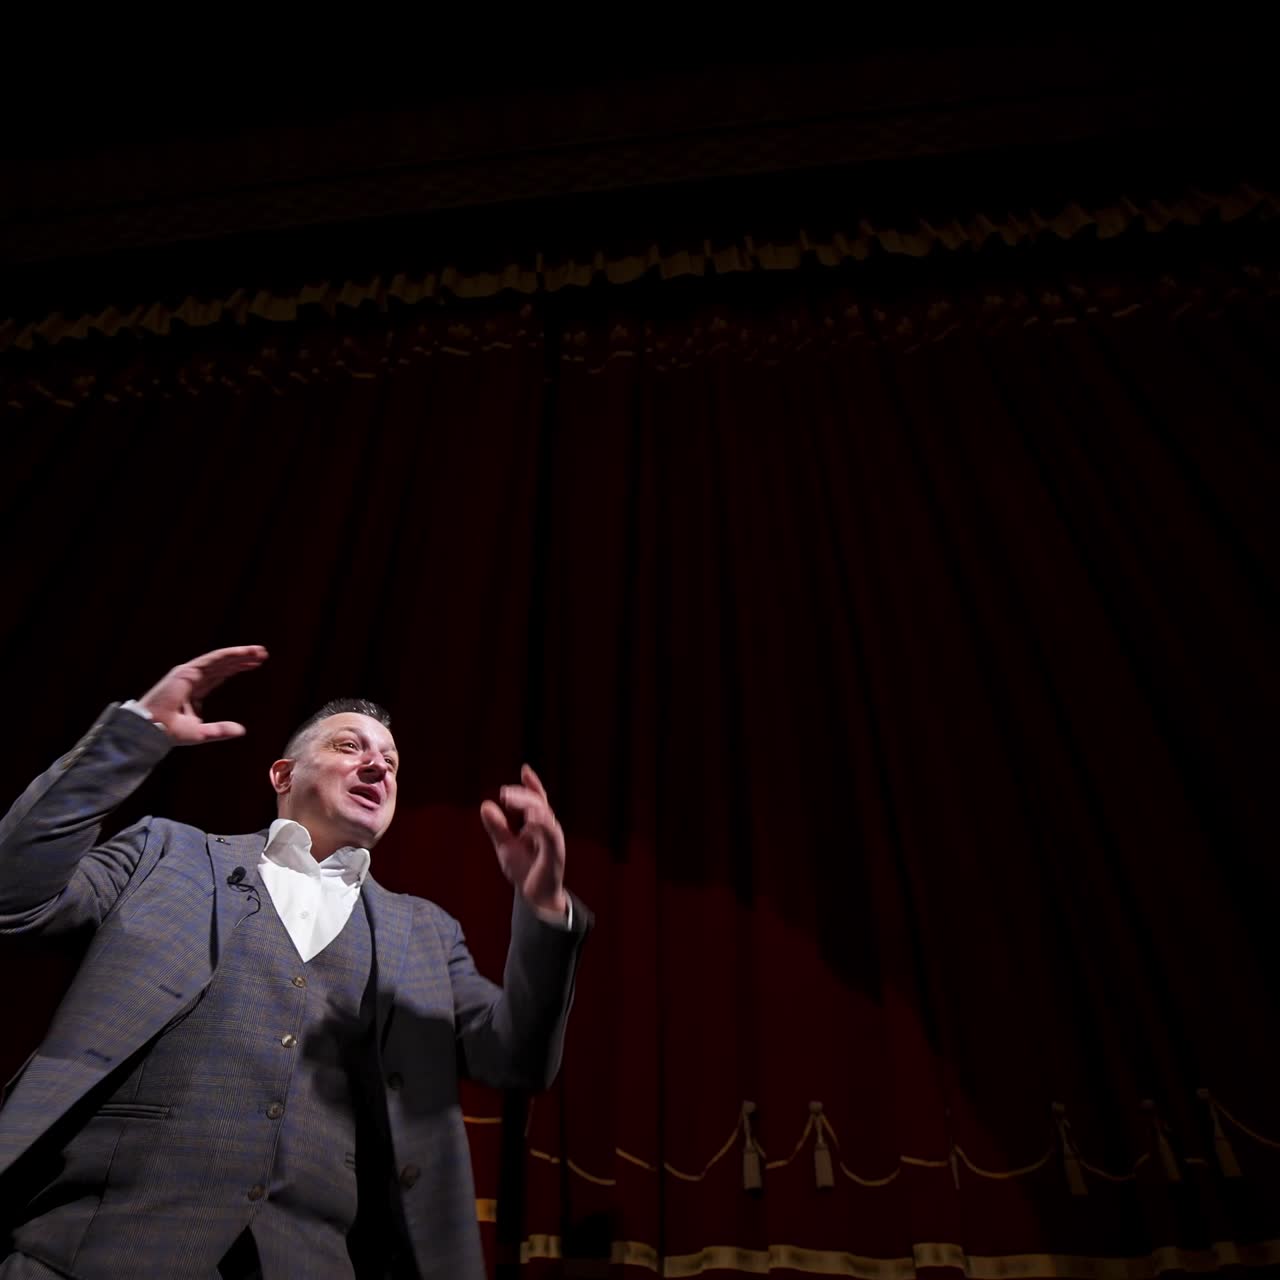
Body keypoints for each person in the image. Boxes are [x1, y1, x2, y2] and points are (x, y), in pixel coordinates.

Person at [0, 646, 590, 1279]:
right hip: (95, 1250)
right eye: (349, 746)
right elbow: (14, 897)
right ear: (283, 776)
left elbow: (517, 1057)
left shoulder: (424, 933)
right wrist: (133, 734)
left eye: (391, 761)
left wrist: (544, 907)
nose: (377, 766)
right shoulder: (164, 852)